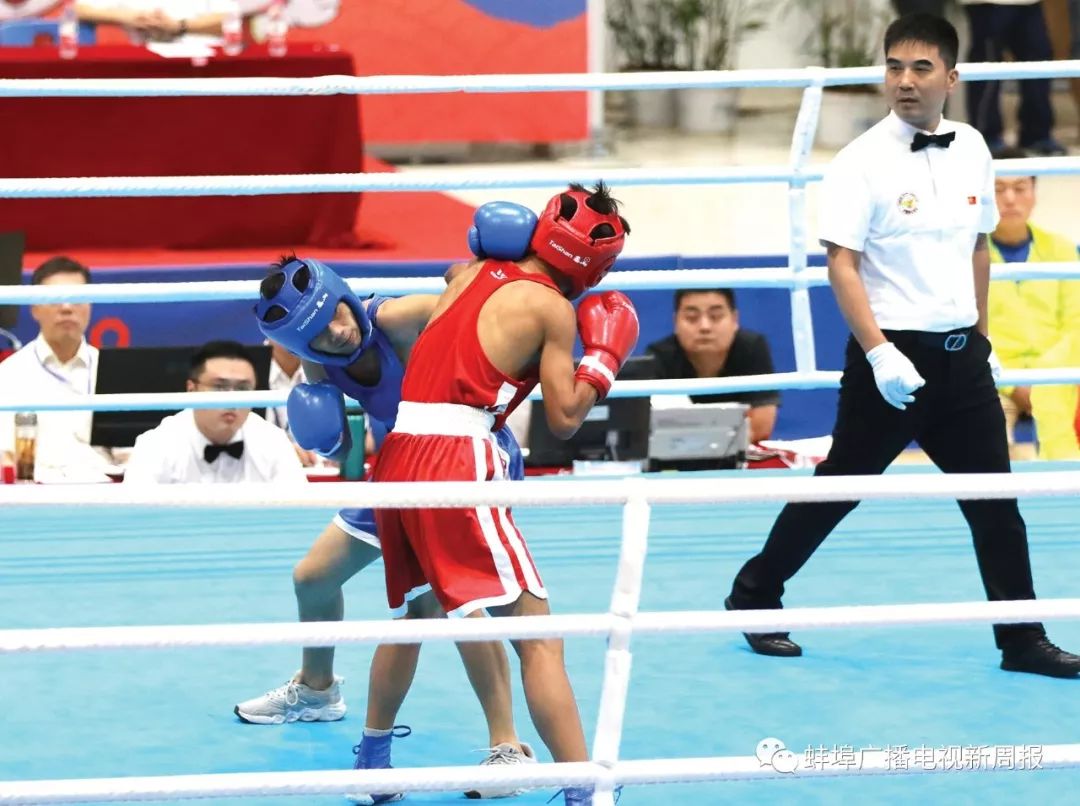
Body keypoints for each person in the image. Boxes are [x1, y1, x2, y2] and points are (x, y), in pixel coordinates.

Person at [725, 14, 1080, 678]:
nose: (905, 81)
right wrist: (879, 350)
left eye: (920, 68)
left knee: (997, 506)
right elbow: (842, 263)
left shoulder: (974, 146)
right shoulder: (860, 162)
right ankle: (754, 593)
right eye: (894, 66)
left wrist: (979, 334)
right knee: (840, 487)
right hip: (892, 357)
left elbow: (978, 245)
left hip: (962, 360)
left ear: (951, 76)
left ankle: (1022, 640)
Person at [244, 215, 543, 800]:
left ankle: (507, 746)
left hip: (467, 462)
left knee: (450, 603)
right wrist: (323, 431)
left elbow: (493, 316)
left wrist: (478, 279)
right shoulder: (317, 364)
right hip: (399, 473)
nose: (337, 331)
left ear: (344, 294)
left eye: (337, 312)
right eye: (320, 333)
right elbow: (332, 440)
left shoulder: (401, 317)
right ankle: (318, 688)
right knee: (313, 577)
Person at [365, 183, 637, 806]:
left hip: (400, 454)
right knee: (538, 639)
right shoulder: (551, 309)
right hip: (456, 459)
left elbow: (403, 313)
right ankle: (585, 791)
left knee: (418, 615)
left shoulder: (468, 272)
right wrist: (601, 363)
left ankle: (372, 765)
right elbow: (565, 417)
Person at [987, 148, 1080, 459]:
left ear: (1034, 193)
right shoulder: (967, 254)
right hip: (997, 383)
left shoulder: (1063, 250)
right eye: (999, 189)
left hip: (1061, 376)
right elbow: (969, 331)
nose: (1010, 199)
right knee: (986, 437)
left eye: (1020, 188)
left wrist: (1048, 380)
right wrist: (1014, 386)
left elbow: (1075, 324)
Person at [123, 340, 305, 484]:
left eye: (243, 388)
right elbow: (133, 521)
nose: (232, 400)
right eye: (220, 387)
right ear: (191, 390)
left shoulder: (273, 441)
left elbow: (299, 518)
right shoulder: (156, 445)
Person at [0, 256, 114, 482]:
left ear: (90, 305)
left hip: (105, 492)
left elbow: (132, 453)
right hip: (35, 495)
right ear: (34, 308)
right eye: (55, 299)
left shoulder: (113, 370)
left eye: (77, 299)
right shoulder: (9, 373)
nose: (67, 308)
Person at [646, 288, 779, 442]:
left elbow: (761, 427)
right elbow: (653, 431)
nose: (705, 327)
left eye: (715, 316)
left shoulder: (752, 347)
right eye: (691, 317)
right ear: (675, 322)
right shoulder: (659, 355)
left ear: (735, 320)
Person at [958, 0, 1067, 156]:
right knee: (988, 63)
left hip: (1030, 3)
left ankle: (1036, 134)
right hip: (987, 3)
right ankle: (986, 136)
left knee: (1039, 60)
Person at [75, 0, 243, 46]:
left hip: (206, 62)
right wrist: (126, 16)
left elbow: (233, 17)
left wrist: (180, 27)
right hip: (142, 64)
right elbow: (78, 9)